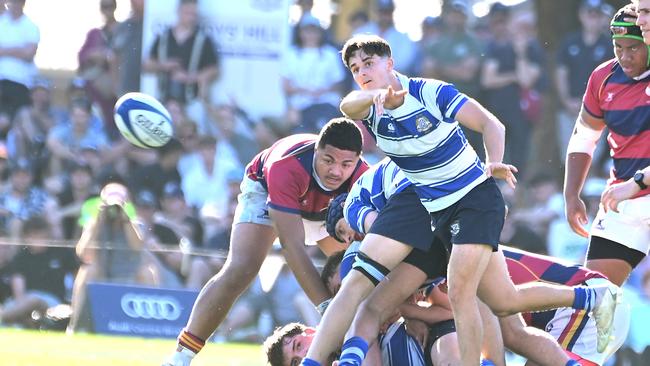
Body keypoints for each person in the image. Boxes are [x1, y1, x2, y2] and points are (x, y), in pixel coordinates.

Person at [300, 34, 620, 366]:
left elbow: (490, 123)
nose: (362, 72)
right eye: (355, 68)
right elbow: (346, 106)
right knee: (504, 300)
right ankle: (593, 296)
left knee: (463, 293)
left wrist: (493, 160)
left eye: (369, 63)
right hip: (431, 208)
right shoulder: (369, 106)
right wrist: (375, 95)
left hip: (474, 200)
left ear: (390, 63)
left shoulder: (429, 92)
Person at [161, 118, 369, 366]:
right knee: (243, 267)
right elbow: (292, 247)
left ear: (358, 160)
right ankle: (180, 358)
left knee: (354, 271)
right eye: (328, 160)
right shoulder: (286, 166)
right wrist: (328, 310)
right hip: (267, 188)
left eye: (346, 164)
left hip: (327, 209)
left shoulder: (364, 176)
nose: (336, 171)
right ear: (317, 151)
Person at [563, 7, 650, 287]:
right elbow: (584, 138)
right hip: (622, 199)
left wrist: (638, 182)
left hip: (633, 187)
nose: (625, 56)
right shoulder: (603, 78)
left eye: (634, 47)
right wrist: (571, 194)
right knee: (595, 295)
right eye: (618, 47)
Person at [0, 0, 40, 122]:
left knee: (11, 121)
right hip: (1, 80)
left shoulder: (31, 27)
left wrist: (4, 50)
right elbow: (24, 52)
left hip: (19, 83)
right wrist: (19, 49)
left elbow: (29, 54)